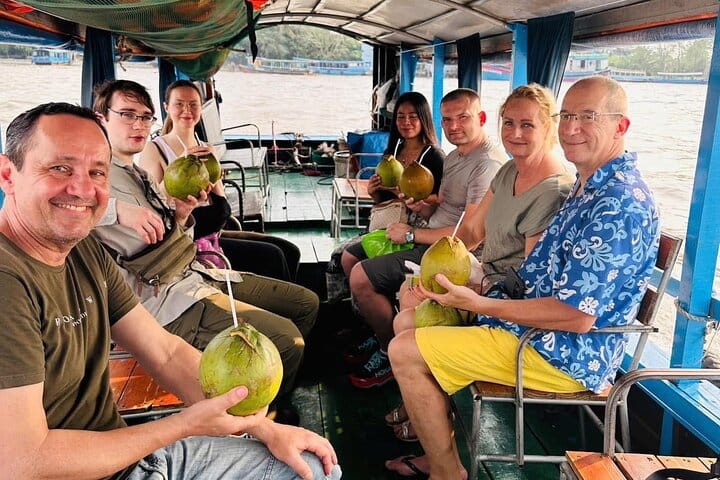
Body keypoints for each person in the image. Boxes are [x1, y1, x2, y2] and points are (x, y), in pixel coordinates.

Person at [0, 102, 341, 480]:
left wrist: (264, 428)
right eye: (59, 168)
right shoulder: (8, 281)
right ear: (7, 174)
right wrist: (184, 425)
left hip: (125, 456)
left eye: (96, 172)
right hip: (88, 468)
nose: (82, 189)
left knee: (314, 468)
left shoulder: (83, 252)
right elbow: (21, 462)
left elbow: (164, 352)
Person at [385, 76, 660, 479]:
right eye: (568, 115)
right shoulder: (589, 186)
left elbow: (576, 316)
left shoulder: (617, 204)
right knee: (409, 319)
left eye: (588, 117)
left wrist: (479, 303)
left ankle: (446, 471)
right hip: (535, 327)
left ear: (621, 126)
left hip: (563, 353)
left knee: (405, 350)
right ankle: (436, 445)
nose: (571, 128)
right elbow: (538, 274)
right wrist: (475, 290)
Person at [91, 79, 318, 403]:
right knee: (287, 340)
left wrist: (182, 214)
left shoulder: (139, 175)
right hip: (162, 303)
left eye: (145, 117)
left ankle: (270, 380)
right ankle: (264, 412)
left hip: (195, 275)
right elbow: (61, 206)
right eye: (127, 115)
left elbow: (179, 237)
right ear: (101, 118)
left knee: (306, 304)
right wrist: (117, 209)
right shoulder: (94, 179)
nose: (139, 124)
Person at [386, 83, 575, 440]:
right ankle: (429, 413)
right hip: (489, 283)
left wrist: (474, 290)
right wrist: (439, 269)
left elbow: (531, 283)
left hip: (512, 309)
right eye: (509, 123)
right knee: (408, 307)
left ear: (550, 126)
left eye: (527, 125)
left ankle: (435, 429)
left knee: (409, 329)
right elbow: (471, 232)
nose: (515, 134)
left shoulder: (552, 192)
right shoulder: (508, 172)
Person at [346, 88, 507, 389]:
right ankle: (380, 331)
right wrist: (420, 205)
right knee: (351, 256)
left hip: (449, 253)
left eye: (462, 118)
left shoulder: (487, 164)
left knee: (360, 277)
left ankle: (388, 350)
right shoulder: (457, 156)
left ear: (482, 118)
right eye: (447, 119)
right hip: (428, 235)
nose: (453, 126)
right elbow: (443, 206)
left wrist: (411, 233)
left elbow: (468, 236)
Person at [139, 79, 301, 282]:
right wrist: (179, 164)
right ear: (166, 107)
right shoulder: (154, 149)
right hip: (187, 243)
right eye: (179, 104)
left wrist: (215, 168)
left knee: (289, 250)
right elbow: (151, 204)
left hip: (214, 233)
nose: (186, 110)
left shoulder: (206, 148)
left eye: (193, 104)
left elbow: (222, 205)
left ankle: (293, 298)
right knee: (273, 256)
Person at [340, 91, 444, 277]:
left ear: (424, 119)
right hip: (389, 222)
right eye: (400, 117)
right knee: (344, 257)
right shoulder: (392, 152)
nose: (406, 122)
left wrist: (405, 195)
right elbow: (383, 199)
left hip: (417, 227)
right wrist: (374, 192)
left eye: (413, 117)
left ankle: (371, 287)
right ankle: (363, 293)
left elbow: (441, 199)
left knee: (354, 260)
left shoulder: (434, 156)